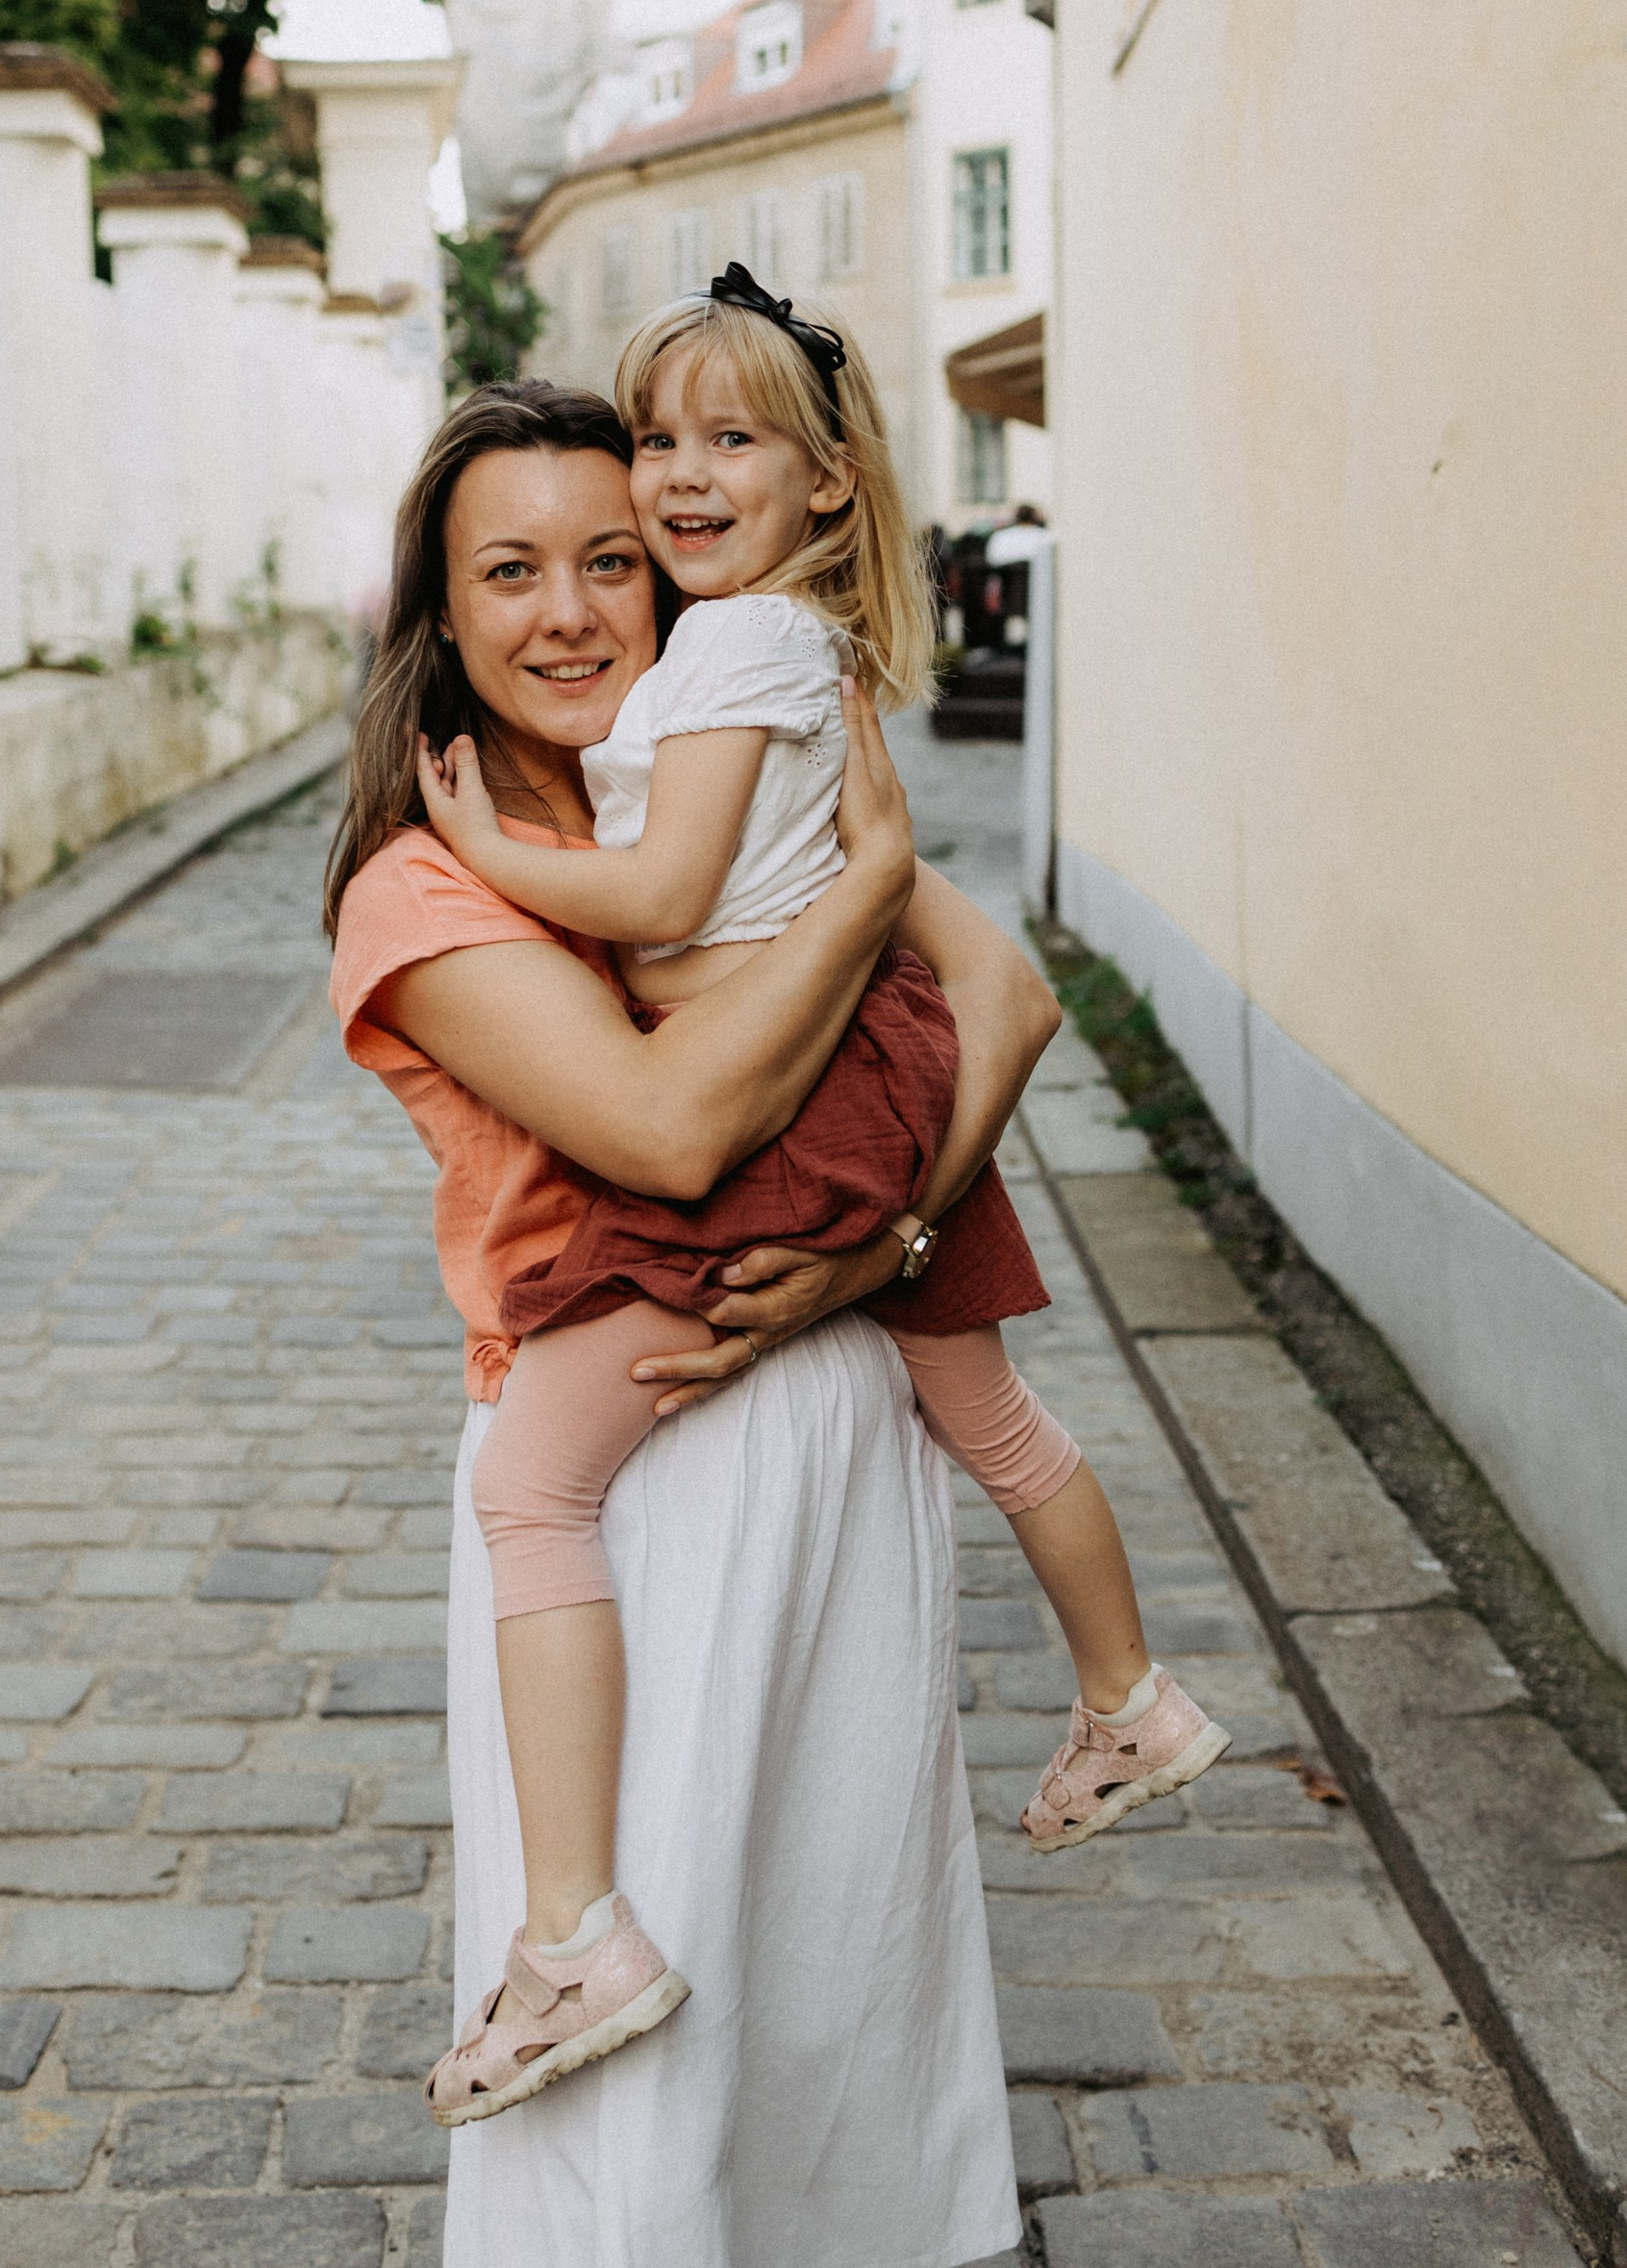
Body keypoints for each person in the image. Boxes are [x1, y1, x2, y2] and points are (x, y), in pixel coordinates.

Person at [412, 280, 1227, 2126]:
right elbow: (961, 972)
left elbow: (671, 886)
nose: (682, 475)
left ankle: (573, 1939)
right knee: (988, 1411)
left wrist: (483, 844)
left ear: (831, 489)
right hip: (865, 1080)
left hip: (786, 1109)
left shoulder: (739, 659)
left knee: (530, 1482)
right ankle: (1131, 1696)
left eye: (730, 440)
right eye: (662, 437)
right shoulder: (778, 653)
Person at [325, 377, 1036, 2260]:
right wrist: (867, 891)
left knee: (833, 1970)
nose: (565, 610)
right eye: (509, 571)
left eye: (609, 561)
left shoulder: (717, 785)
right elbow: (673, 1122)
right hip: (631, 1497)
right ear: (442, 617)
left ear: (674, 584)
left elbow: (1014, 1002)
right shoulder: (426, 877)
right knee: (654, 2006)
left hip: (830, 1434)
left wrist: (886, 1248)